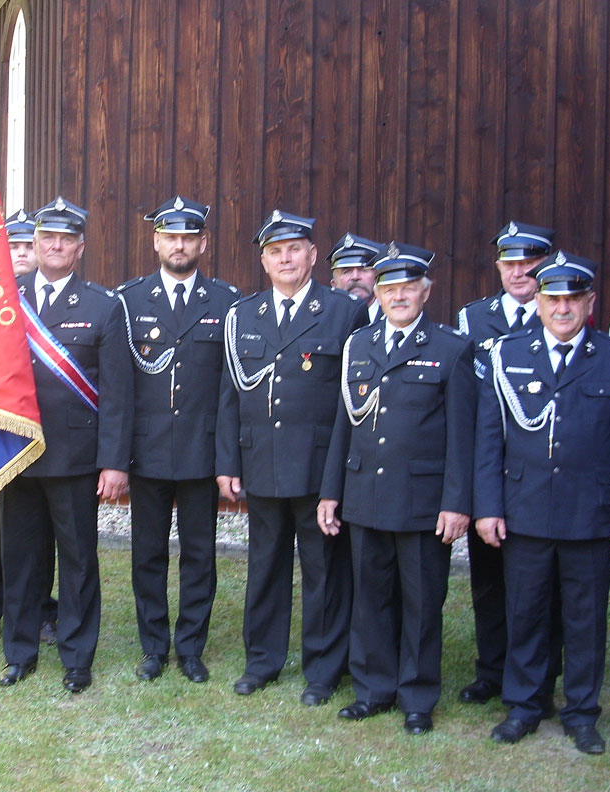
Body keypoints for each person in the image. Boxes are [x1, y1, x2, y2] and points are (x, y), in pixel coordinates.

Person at [474, 251, 610, 755]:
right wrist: (488, 507)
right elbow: (489, 442)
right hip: (523, 508)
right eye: (554, 299)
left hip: (588, 513)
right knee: (525, 612)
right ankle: (525, 706)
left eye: (574, 299)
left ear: (590, 302)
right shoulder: (506, 355)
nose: (563, 308)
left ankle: (581, 712)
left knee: (584, 617)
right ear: (539, 302)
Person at [318, 241, 474, 735]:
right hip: (365, 495)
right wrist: (330, 492)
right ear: (378, 293)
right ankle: (373, 689)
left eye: (409, 286)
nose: (399, 295)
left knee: (423, 602)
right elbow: (344, 422)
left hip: (422, 504)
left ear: (426, 292)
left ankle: (417, 697)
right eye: (390, 287)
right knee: (370, 599)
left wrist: (456, 503)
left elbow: (462, 437)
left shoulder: (451, 349)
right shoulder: (358, 345)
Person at [216, 210, 362, 705]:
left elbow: (351, 402)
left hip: (318, 468)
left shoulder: (343, 312)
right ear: (263, 260)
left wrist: (337, 481)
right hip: (261, 463)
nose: (286, 259)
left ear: (313, 255)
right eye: (276, 251)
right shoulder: (244, 314)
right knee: (265, 566)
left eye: (295, 249)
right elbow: (229, 396)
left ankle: (322, 670)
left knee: (323, 571)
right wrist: (227, 463)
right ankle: (262, 661)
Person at [0, 196, 132, 693]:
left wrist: (114, 462)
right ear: (34, 244)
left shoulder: (102, 306)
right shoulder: (4, 300)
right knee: (22, 560)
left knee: (78, 561)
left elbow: (119, 393)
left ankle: (77, 657)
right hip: (16, 455)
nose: (55, 245)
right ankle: (19, 653)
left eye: (66, 239)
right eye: (47, 237)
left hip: (76, 459)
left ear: (79, 248)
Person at [117, 196, 241, 684]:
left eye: (189, 237)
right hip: (147, 450)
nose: (180, 245)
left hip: (200, 451)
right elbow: (121, 387)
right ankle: (153, 647)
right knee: (147, 553)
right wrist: (118, 457)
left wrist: (227, 459)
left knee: (199, 554)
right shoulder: (128, 300)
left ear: (203, 243)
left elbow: (231, 391)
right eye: (171, 236)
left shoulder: (227, 302)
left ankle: (190, 646)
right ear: (156, 242)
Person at [455, 221, 560, 711]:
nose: (519, 272)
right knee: (490, 578)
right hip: (488, 472)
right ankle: (492, 670)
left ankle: (541, 673)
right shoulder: (473, 319)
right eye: (509, 263)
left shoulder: (561, 313)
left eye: (529, 262)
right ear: (497, 266)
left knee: (544, 582)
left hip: (542, 473)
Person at [0, 208, 57, 646]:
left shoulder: (47, 297)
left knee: (41, 529)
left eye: (29, 245)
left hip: (44, 436)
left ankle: (42, 607)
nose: (23, 253)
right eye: (15, 246)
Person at [327, 233, 383, 326]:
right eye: (347, 271)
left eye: (364, 270)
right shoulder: (326, 323)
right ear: (334, 284)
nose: (355, 277)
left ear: (377, 278)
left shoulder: (394, 319)